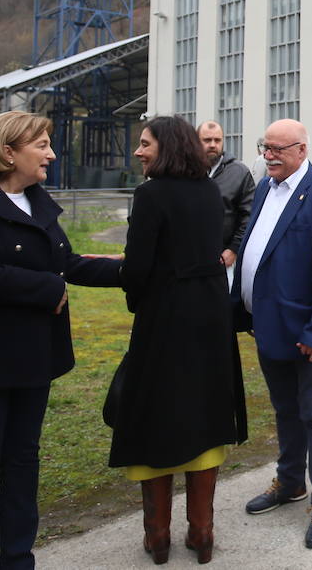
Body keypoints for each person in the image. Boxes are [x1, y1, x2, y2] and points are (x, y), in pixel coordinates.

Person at [0, 111, 123, 569]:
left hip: (32, 358)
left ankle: (18, 560)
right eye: (42, 145)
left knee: (22, 464)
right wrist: (49, 289)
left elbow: (67, 262)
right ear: (9, 151)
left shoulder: (37, 200)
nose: (52, 153)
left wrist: (135, 272)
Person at [108, 116, 248, 564]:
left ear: (165, 147)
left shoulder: (150, 194)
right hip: (209, 318)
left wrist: (133, 293)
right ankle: (202, 533)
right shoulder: (209, 191)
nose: (138, 151)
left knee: (155, 417)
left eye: (144, 143)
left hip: (165, 321)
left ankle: (158, 536)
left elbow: (138, 269)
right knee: (204, 416)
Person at [232, 119, 312, 549]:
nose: (269, 156)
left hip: (310, 334)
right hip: (270, 326)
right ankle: (289, 482)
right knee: (285, 410)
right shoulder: (266, 188)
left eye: (278, 149)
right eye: (266, 147)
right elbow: (256, 248)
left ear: (302, 150)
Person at [198, 121, 255, 283]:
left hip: (224, 259)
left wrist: (234, 249)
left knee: (223, 306)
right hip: (190, 259)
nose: (212, 145)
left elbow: (249, 215)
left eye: (217, 140)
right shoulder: (186, 170)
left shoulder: (239, 172)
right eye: (207, 140)